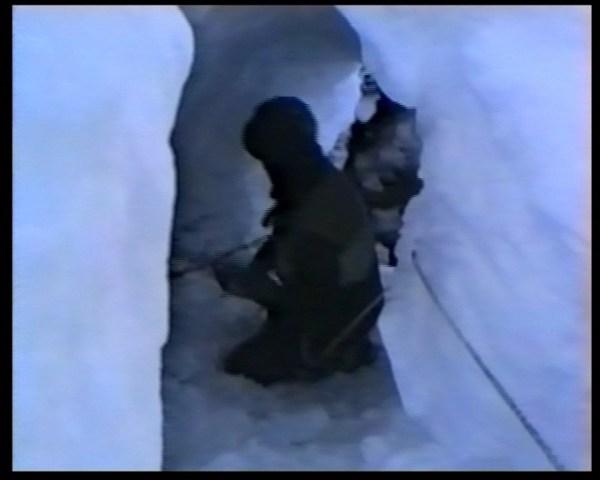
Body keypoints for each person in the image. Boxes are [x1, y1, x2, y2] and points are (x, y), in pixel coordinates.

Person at [213, 96, 384, 386]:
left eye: (268, 158)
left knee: (242, 368)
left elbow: (317, 300)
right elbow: (286, 237)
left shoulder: (320, 212)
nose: (266, 168)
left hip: (343, 315)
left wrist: (256, 287)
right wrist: (259, 267)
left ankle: (336, 353)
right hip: (340, 296)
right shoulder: (311, 183)